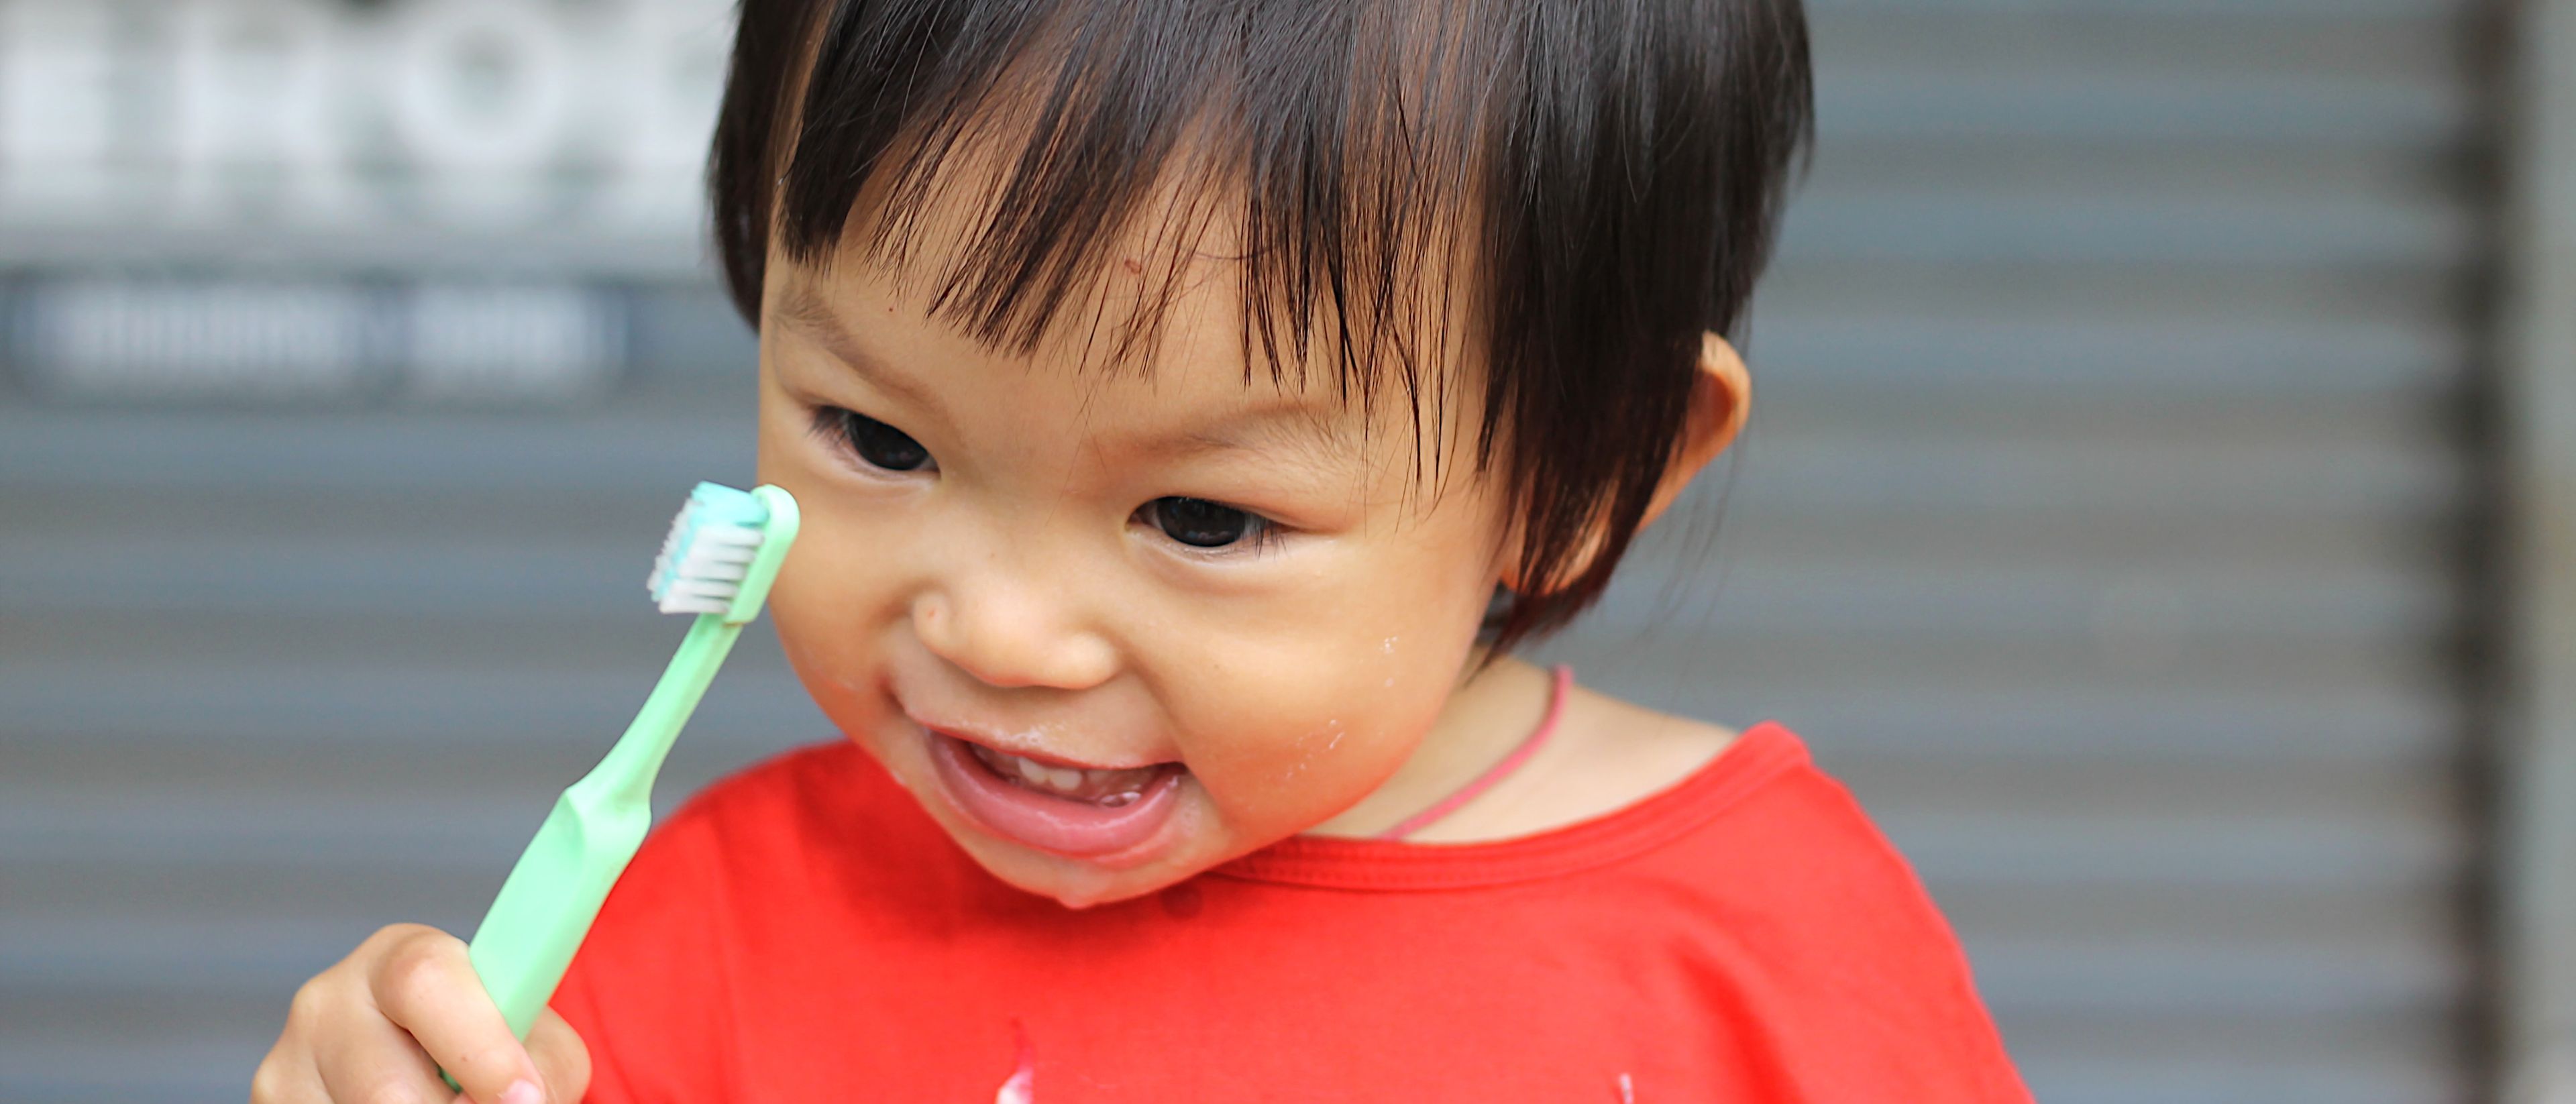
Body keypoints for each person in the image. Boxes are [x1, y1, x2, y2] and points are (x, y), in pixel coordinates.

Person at [254, 0, 2030, 1100]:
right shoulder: (692, 942)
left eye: (1202, 516)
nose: (1005, 631)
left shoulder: (1769, 953)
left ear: (1578, 470)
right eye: (879, 439)